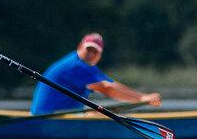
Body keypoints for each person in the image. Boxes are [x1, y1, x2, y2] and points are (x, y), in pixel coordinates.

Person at [29, 33, 161, 115]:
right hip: (48, 118)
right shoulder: (77, 66)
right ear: (80, 46)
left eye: (95, 51)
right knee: (100, 115)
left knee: (97, 113)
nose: (91, 54)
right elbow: (107, 88)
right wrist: (142, 99)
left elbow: (111, 85)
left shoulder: (80, 64)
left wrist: (143, 97)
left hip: (53, 117)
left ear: (99, 55)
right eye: (89, 49)